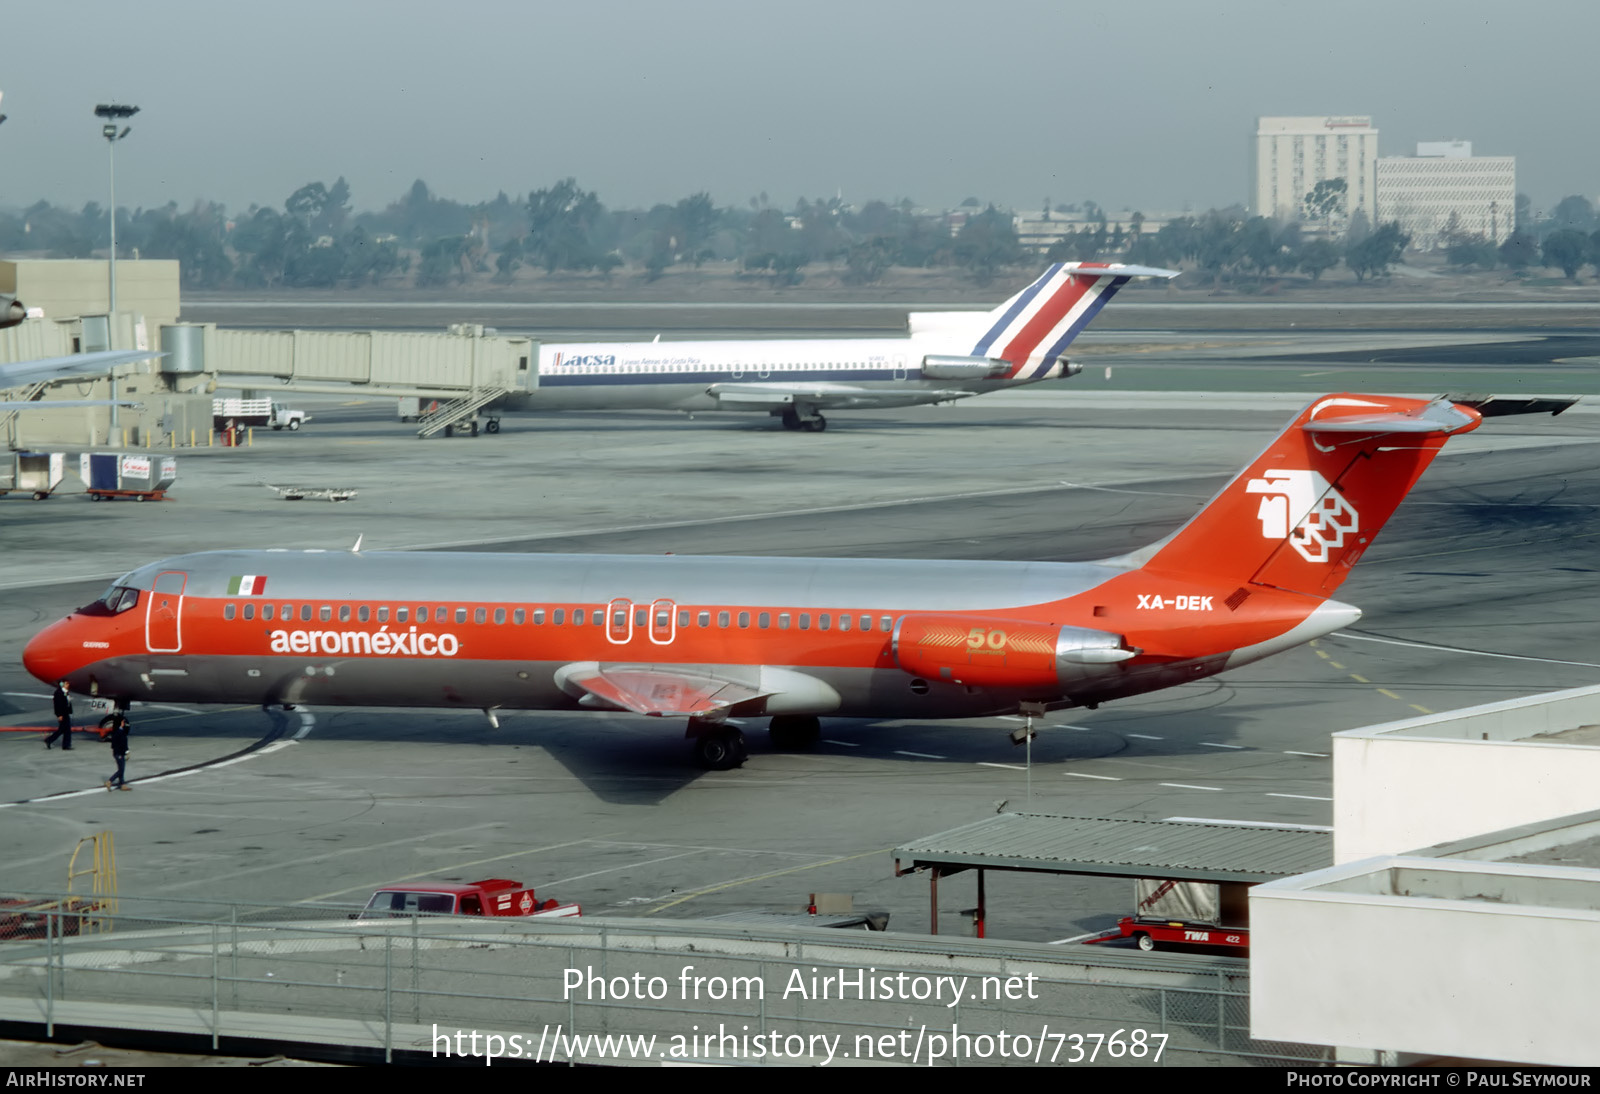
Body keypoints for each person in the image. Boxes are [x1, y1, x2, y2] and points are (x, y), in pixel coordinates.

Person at [104, 713, 131, 791]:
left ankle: (122, 784)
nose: (124, 723)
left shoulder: (119, 731)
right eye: (123, 722)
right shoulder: (119, 732)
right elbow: (120, 744)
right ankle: (110, 781)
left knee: (121, 768)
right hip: (119, 753)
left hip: (119, 752)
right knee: (121, 770)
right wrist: (125, 752)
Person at [44, 680, 72, 750]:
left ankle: (66, 745)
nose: (68, 685)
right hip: (62, 714)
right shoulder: (58, 693)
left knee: (67, 730)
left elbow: (67, 703)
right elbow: (57, 705)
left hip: (66, 713)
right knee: (62, 729)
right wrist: (59, 715)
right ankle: (49, 740)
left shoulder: (65, 692)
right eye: (66, 683)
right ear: (62, 684)